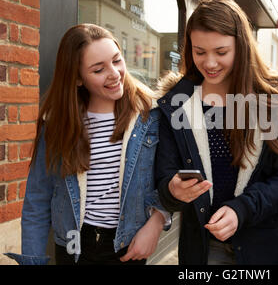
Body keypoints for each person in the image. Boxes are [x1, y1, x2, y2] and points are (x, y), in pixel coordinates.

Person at [155, 0, 278, 265]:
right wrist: (173, 190)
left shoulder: (267, 100)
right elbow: (164, 177)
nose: (210, 63)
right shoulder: (178, 103)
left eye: (221, 52)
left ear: (241, 46)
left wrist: (243, 210)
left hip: (266, 247)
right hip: (203, 247)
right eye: (199, 52)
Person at [5, 24, 169, 265]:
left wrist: (155, 224)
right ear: (78, 78)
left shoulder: (151, 116)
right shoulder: (57, 124)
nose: (114, 73)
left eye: (117, 60)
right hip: (73, 248)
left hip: (128, 246)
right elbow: (37, 200)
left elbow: (169, 180)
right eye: (98, 69)